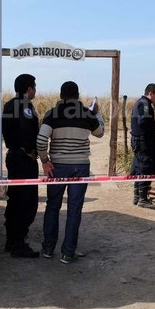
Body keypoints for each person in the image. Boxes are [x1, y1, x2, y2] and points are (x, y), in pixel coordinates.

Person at [37, 81, 104, 264]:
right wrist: (97, 113)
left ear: (61, 95)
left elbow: (41, 140)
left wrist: (45, 161)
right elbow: (100, 133)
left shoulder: (52, 114)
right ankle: (68, 253)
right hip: (80, 166)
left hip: (57, 167)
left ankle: (48, 249)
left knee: (52, 206)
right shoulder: (87, 114)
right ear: (77, 95)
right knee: (74, 209)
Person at [1, 74, 40, 258]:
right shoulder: (25, 106)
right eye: (34, 87)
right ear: (29, 89)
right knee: (27, 202)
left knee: (14, 199)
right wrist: (29, 150)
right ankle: (19, 243)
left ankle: (11, 240)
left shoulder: (9, 104)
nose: (35, 90)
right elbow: (26, 132)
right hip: (23, 160)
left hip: (13, 157)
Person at [130, 83, 155, 209]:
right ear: (151, 93)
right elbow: (143, 121)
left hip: (139, 141)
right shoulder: (145, 104)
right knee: (145, 167)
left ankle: (137, 196)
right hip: (144, 142)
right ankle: (142, 199)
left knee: (139, 167)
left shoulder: (139, 102)